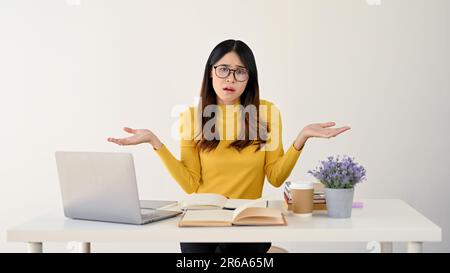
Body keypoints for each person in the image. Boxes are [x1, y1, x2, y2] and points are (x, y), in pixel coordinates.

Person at [107, 39, 351, 253]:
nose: (230, 79)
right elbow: (190, 182)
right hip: (202, 218)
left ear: (249, 78)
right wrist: (155, 142)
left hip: (249, 219)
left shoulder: (267, 113)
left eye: (240, 72)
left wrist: (301, 139)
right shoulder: (192, 117)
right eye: (223, 69)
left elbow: (275, 178)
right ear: (210, 73)